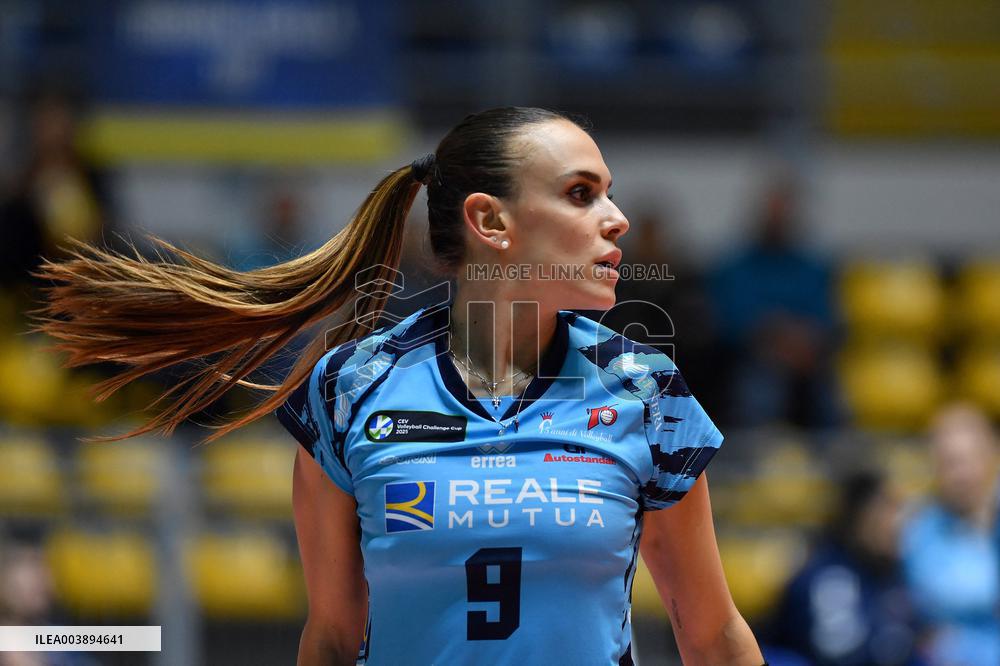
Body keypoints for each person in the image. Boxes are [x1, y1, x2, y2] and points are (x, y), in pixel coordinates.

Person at [32, 107, 764, 665]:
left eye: (607, 194)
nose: (617, 218)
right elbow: (331, 637)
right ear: (490, 221)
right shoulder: (351, 390)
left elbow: (714, 635)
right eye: (582, 194)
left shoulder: (646, 393)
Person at [763, 469, 925, 665]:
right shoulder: (828, 578)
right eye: (887, 509)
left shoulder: (894, 576)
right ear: (861, 516)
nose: (898, 522)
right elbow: (843, 653)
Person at [899, 403, 1000, 665]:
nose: (961, 475)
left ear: (992, 455)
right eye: (949, 463)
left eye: (969, 459)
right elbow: (937, 598)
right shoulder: (917, 531)